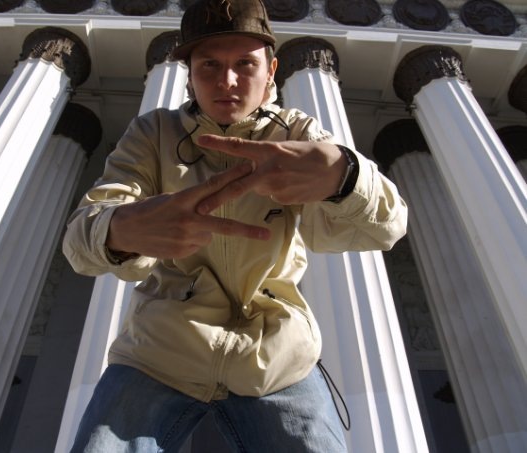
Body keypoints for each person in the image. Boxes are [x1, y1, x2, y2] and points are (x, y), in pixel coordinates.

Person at [63, 0, 408, 451]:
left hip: (277, 358)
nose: (227, 81)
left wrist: (346, 177)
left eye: (245, 64)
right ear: (190, 75)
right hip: (161, 353)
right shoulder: (154, 133)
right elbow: (80, 239)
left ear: (271, 71)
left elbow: (387, 227)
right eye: (209, 65)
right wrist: (120, 230)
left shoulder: (296, 133)